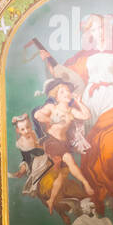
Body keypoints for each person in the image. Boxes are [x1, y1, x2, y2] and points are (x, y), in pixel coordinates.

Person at [33, 80, 95, 212]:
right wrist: (51, 120)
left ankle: (51, 200)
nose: (66, 93)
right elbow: (37, 115)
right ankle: (86, 184)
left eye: (68, 91)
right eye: (62, 91)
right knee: (68, 159)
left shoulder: (72, 111)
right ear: (56, 97)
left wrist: (79, 102)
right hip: (52, 141)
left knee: (62, 175)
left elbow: (86, 115)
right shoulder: (52, 107)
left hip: (64, 143)